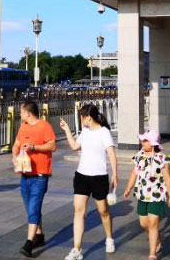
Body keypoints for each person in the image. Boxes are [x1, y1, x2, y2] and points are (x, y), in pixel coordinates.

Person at [59, 104, 118, 260]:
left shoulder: (104, 132)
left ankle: (109, 238)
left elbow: (111, 154)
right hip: (82, 176)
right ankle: (77, 249)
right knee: (79, 212)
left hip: (99, 177)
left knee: (103, 211)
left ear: (88, 118)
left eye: (82, 116)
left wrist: (115, 174)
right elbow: (74, 146)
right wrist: (66, 130)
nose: (81, 119)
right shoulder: (84, 132)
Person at [13, 100, 57, 257]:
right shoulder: (24, 126)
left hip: (40, 175)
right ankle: (39, 235)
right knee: (31, 208)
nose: (20, 114)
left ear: (28, 113)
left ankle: (29, 243)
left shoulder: (44, 126)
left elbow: (52, 146)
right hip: (25, 175)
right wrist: (15, 157)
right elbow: (16, 144)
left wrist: (34, 147)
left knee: (33, 208)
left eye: (21, 111)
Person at [123, 129, 170, 260]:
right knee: (143, 223)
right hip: (142, 194)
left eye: (145, 140)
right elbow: (134, 173)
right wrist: (129, 188)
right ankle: (157, 238)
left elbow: (168, 178)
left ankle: (152, 253)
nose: (142, 142)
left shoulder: (161, 158)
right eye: (142, 139)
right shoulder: (139, 155)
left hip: (157, 195)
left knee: (153, 224)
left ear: (152, 143)